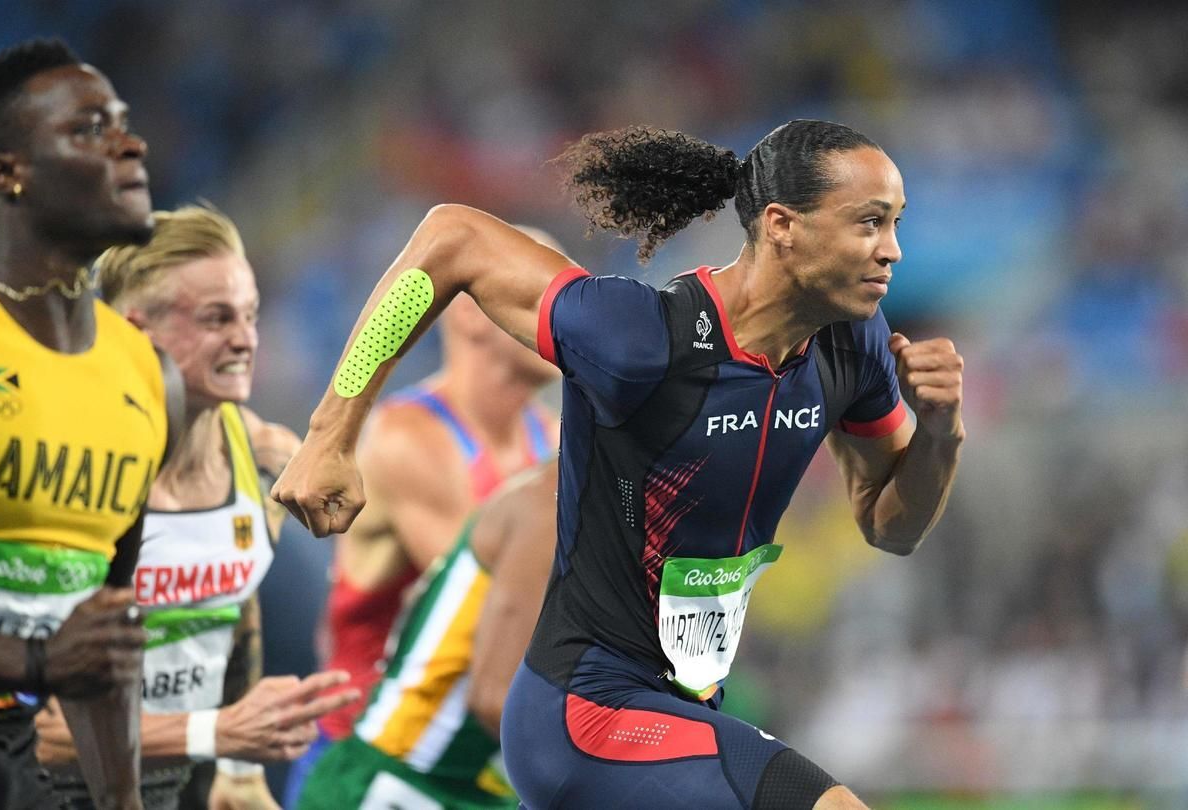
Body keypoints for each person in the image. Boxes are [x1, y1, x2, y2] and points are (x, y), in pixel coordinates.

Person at [274, 120, 965, 809]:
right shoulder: (641, 339)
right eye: (871, 223)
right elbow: (452, 236)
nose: (893, 251)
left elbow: (891, 526)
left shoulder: (854, 346)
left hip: (683, 711)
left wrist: (940, 433)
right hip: (582, 716)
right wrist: (329, 435)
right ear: (782, 224)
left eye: (896, 223)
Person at [0, 39, 180, 810]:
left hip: (9, 759)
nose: (132, 142)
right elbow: (56, 657)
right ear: (6, 172)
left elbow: (99, 647)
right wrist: (31, 660)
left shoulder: (148, 377)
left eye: (124, 121)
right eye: (91, 127)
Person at [33, 205, 358, 809]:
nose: (245, 339)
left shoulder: (266, 457)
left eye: (251, 315)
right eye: (216, 318)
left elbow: (235, 610)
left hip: (182, 787)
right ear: (136, 330)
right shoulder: (65, 476)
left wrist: (238, 768)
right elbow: (37, 731)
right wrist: (221, 733)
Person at [283, 227, 561, 807]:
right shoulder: (408, 440)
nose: (561, 319)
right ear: (470, 313)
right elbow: (512, 618)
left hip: (471, 764)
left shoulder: (551, 439)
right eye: (536, 298)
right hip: (371, 756)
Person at [295, 460, 558, 810]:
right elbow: (496, 701)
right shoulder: (551, 507)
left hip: (472, 785)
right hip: (402, 780)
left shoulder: (600, 504)